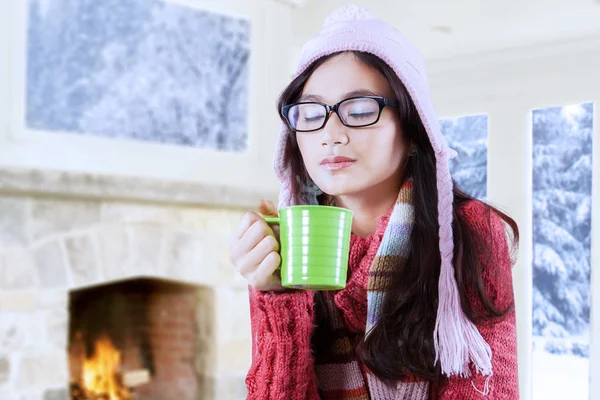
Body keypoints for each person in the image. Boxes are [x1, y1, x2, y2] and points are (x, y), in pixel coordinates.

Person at [228, 5, 520, 399]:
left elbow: (489, 388)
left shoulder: (467, 232)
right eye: (311, 113)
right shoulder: (290, 245)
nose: (330, 134)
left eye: (360, 110)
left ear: (415, 130)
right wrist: (276, 297)